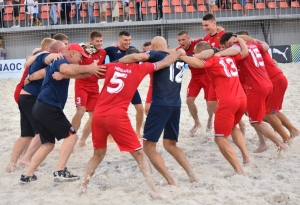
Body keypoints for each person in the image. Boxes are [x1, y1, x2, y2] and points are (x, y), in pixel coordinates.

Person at [80, 47, 185, 198]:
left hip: (98, 115)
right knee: (140, 155)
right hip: (117, 116)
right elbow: (165, 62)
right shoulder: (141, 68)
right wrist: (178, 52)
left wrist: (62, 73)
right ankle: (154, 191)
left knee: (97, 155)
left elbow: (83, 73)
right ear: (138, 58)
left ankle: (83, 188)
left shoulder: (111, 66)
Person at [19, 43, 105, 183]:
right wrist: (90, 67)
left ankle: (28, 175)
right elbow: (68, 69)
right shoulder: (61, 61)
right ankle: (60, 171)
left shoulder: (60, 64)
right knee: (71, 137)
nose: (80, 60)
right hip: (48, 107)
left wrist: (90, 71)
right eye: (79, 56)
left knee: (48, 143)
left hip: (39, 107)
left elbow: (74, 73)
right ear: (72, 54)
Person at [118, 37, 198, 186]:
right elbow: (202, 58)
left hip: (160, 103)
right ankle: (192, 174)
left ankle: (170, 180)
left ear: (154, 46)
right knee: (170, 145)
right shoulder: (182, 58)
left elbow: (135, 57)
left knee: (148, 146)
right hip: (175, 104)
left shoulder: (157, 54)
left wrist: (119, 61)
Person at [180, 40, 251, 175]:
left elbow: (198, 63)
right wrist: (240, 40)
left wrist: (181, 56)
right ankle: (246, 157)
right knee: (232, 127)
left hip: (228, 101)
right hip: (241, 98)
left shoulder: (213, 60)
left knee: (219, 138)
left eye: (195, 52)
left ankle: (239, 170)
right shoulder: (228, 57)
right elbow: (244, 52)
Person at [219, 32, 287, 153]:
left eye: (224, 47)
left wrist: (217, 54)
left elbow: (235, 51)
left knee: (257, 121)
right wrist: (248, 39)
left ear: (229, 42)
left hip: (256, 87)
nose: (223, 49)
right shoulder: (252, 44)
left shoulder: (236, 46)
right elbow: (266, 46)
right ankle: (263, 142)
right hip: (266, 84)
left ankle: (280, 143)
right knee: (257, 114)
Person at [236, 31, 299, 152]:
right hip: (273, 80)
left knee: (268, 113)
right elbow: (265, 45)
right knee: (269, 112)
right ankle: (292, 131)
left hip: (273, 80)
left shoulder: (250, 49)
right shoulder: (255, 47)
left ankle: (286, 139)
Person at [6, 38, 60, 172]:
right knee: (42, 130)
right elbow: (47, 59)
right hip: (31, 97)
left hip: (25, 96)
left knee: (26, 133)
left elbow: (33, 57)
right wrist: (57, 55)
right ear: (48, 48)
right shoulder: (44, 55)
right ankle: (26, 158)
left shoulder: (37, 55)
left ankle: (11, 164)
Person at [105, 31, 144, 138]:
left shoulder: (133, 50)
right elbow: (96, 51)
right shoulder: (112, 49)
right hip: (116, 86)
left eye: (129, 40)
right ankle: (109, 135)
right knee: (111, 111)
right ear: (119, 40)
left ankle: (137, 131)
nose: (128, 42)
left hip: (130, 86)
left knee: (140, 109)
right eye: (125, 40)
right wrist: (87, 45)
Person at [72, 31, 106, 147]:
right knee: (80, 112)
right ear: (91, 41)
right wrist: (83, 47)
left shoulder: (103, 52)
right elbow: (73, 51)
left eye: (101, 41)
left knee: (95, 116)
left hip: (94, 87)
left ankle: (82, 141)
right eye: (97, 41)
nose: (99, 43)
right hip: (81, 85)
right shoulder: (83, 50)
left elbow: (100, 69)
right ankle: (70, 139)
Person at [176, 30, 213, 134]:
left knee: (209, 103)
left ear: (189, 39)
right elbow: (170, 53)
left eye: (183, 39)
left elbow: (210, 39)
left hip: (207, 76)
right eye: (179, 40)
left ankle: (210, 119)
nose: (181, 42)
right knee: (189, 100)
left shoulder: (199, 42)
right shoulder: (179, 50)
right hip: (195, 78)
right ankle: (197, 122)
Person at [142, 41, 153, 116]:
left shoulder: (163, 58)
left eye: (149, 51)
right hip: (152, 86)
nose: (147, 53)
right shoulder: (145, 60)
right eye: (145, 51)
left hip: (165, 89)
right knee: (147, 110)